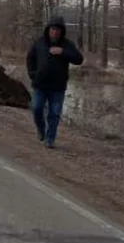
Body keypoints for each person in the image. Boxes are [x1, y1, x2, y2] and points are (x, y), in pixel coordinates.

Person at [25, 15, 84, 148]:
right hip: (40, 84)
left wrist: (63, 52)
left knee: (54, 114)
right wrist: (32, 74)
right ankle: (41, 130)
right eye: (52, 29)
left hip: (58, 87)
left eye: (58, 30)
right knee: (36, 108)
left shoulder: (67, 45)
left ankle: (50, 139)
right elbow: (30, 58)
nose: (55, 32)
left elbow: (79, 59)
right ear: (48, 29)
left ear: (62, 31)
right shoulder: (39, 42)